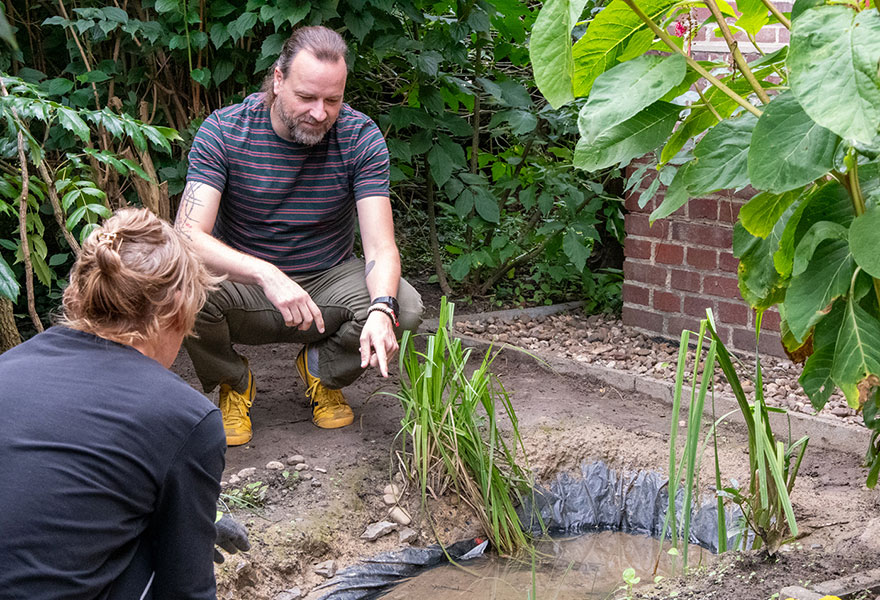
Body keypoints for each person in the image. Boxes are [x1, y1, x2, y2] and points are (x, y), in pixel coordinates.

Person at [176, 25, 423, 446]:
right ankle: (233, 383)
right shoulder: (224, 131)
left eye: (333, 99)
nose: (320, 112)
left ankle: (321, 371)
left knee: (405, 306)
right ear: (277, 79)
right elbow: (186, 236)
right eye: (306, 97)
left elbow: (380, 247)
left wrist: (382, 308)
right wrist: (267, 274)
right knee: (180, 287)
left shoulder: (360, 137)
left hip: (327, 282)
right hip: (246, 286)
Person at [0, 208, 244, 599]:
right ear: (177, 305)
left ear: (79, 293)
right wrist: (190, 528)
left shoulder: (8, 366)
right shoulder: (184, 416)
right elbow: (187, 589)